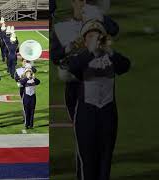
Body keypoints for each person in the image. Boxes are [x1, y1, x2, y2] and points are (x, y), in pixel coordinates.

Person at [51, 0, 119, 178]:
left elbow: (114, 29)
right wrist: (73, 47)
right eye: (81, 1)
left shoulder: (97, 21)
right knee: (84, 142)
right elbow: (55, 55)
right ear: (73, 2)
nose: (84, 4)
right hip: (75, 86)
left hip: (100, 84)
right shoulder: (62, 27)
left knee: (103, 141)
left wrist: (97, 13)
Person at [67, 20, 130, 180]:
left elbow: (125, 66)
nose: (95, 39)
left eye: (98, 35)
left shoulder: (111, 58)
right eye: (91, 35)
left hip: (108, 117)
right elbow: (73, 67)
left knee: (105, 163)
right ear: (85, 39)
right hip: (86, 117)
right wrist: (91, 52)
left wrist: (110, 51)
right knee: (87, 165)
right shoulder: (81, 57)